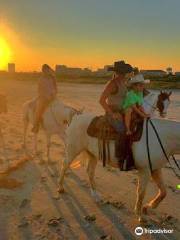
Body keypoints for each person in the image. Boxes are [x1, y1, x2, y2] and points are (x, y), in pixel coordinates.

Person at [99, 60, 134, 168]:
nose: (125, 75)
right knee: (122, 130)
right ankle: (120, 158)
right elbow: (101, 100)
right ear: (118, 73)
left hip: (123, 111)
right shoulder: (112, 84)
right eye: (123, 73)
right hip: (113, 113)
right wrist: (112, 114)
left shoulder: (124, 83)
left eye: (126, 73)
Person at [32, 64, 57, 133]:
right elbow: (39, 90)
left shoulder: (53, 78)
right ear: (43, 71)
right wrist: (46, 96)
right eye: (46, 70)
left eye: (48, 70)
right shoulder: (41, 79)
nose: (47, 71)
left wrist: (54, 94)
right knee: (39, 111)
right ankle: (35, 126)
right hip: (43, 98)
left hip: (53, 97)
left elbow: (55, 88)